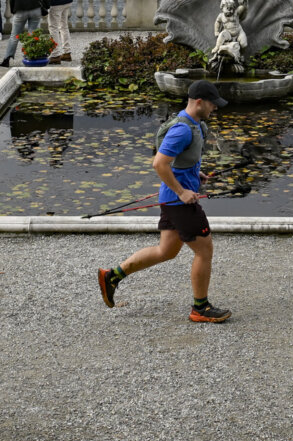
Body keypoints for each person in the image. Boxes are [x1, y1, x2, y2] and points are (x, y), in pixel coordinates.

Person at [97, 79, 232, 323]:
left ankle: (112, 276)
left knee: (166, 250)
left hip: (173, 200)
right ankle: (200, 308)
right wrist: (181, 192)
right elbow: (159, 163)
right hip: (179, 202)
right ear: (199, 102)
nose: (216, 108)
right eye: (213, 103)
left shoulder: (195, 124)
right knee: (205, 250)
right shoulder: (181, 129)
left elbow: (179, 162)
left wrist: (195, 174)